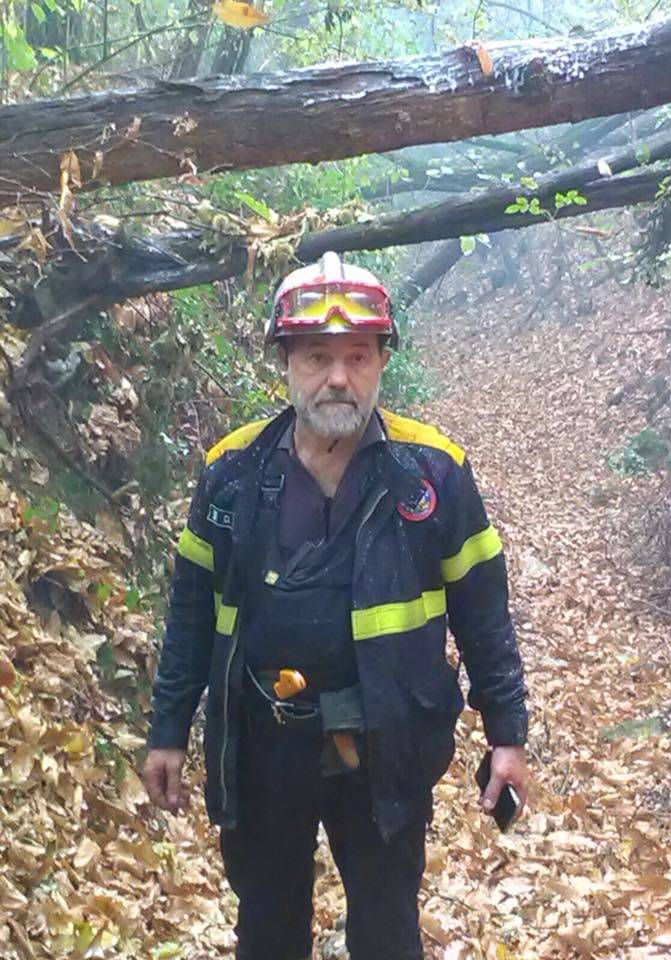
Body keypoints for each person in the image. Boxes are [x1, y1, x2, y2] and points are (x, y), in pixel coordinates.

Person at [142, 252, 529, 960]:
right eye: (317, 356)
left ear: (383, 359)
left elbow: (482, 609)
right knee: (267, 927)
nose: (339, 377)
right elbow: (191, 613)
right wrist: (167, 729)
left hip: (388, 745)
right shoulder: (232, 473)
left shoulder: (434, 471)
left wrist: (507, 733)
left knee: (386, 930)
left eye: (358, 355)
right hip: (263, 749)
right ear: (285, 362)